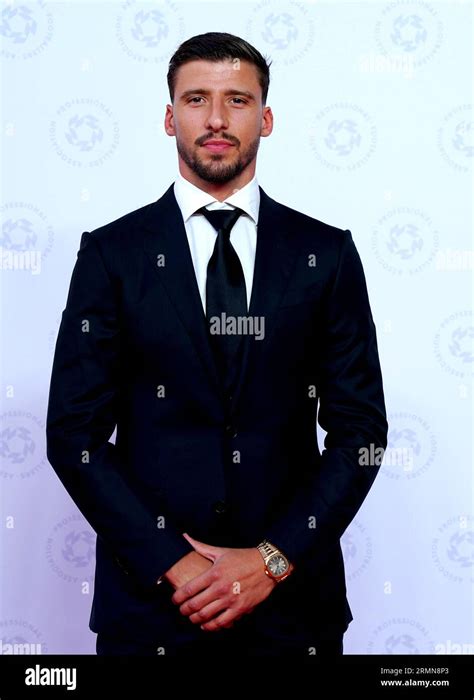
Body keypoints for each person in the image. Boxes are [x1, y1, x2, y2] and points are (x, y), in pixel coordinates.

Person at [46, 31, 388, 658]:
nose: (217, 119)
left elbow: (360, 432)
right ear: (170, 117)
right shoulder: (111, 254)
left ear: (267, 116)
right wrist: (174, 563)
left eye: (237, 99)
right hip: (151, 609)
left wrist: (273, 561)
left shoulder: (326, 255)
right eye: (197, 99)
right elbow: (74, 436)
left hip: (293, 613)